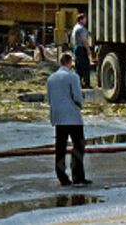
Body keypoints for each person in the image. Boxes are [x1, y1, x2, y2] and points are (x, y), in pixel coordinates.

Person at [47, 51, 90, 187]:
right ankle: (77, 175)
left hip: (58, 117)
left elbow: (49, 98)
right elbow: (77, 96)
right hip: (72, 116)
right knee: (78, 145)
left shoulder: (51, 78)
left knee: (60, 147)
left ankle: (62, 177)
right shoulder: (73, 77)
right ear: (70, 62)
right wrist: (80, 105)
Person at [70, 13, 92, 88]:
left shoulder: (75, 27)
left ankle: (78, 83)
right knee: (85, 66)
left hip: (76, 48)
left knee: (78, 67)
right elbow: (84, 40)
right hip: (81, 49)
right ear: (81, 20)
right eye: (85, 19)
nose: (86, 21)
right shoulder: (81, 28)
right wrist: (88, 49)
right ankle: (86, 83)